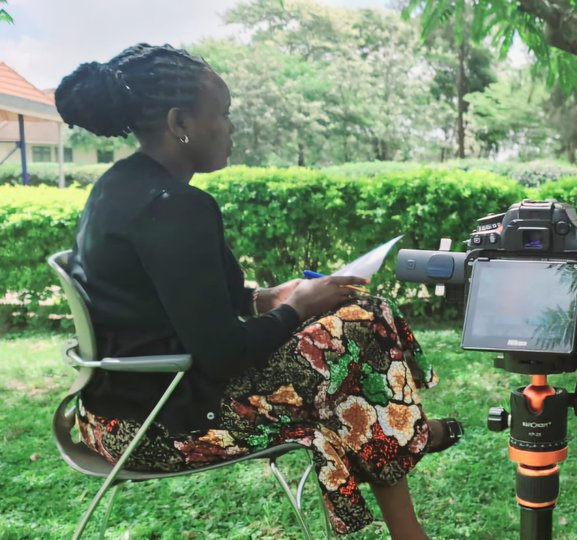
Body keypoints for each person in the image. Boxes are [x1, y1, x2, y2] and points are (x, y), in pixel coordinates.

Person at [57, 44, 460, 538]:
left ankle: (406, 453)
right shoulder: (173, 207)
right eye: (222, 114)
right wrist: (299, 306)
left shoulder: (120, 187)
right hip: (159, 425)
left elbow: (171, 302)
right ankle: (411, 442)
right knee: (361, 322)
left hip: (113, 413)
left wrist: (265, 299)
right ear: (180, 121)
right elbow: (225, 353)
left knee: (349, 324)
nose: (230, 127)